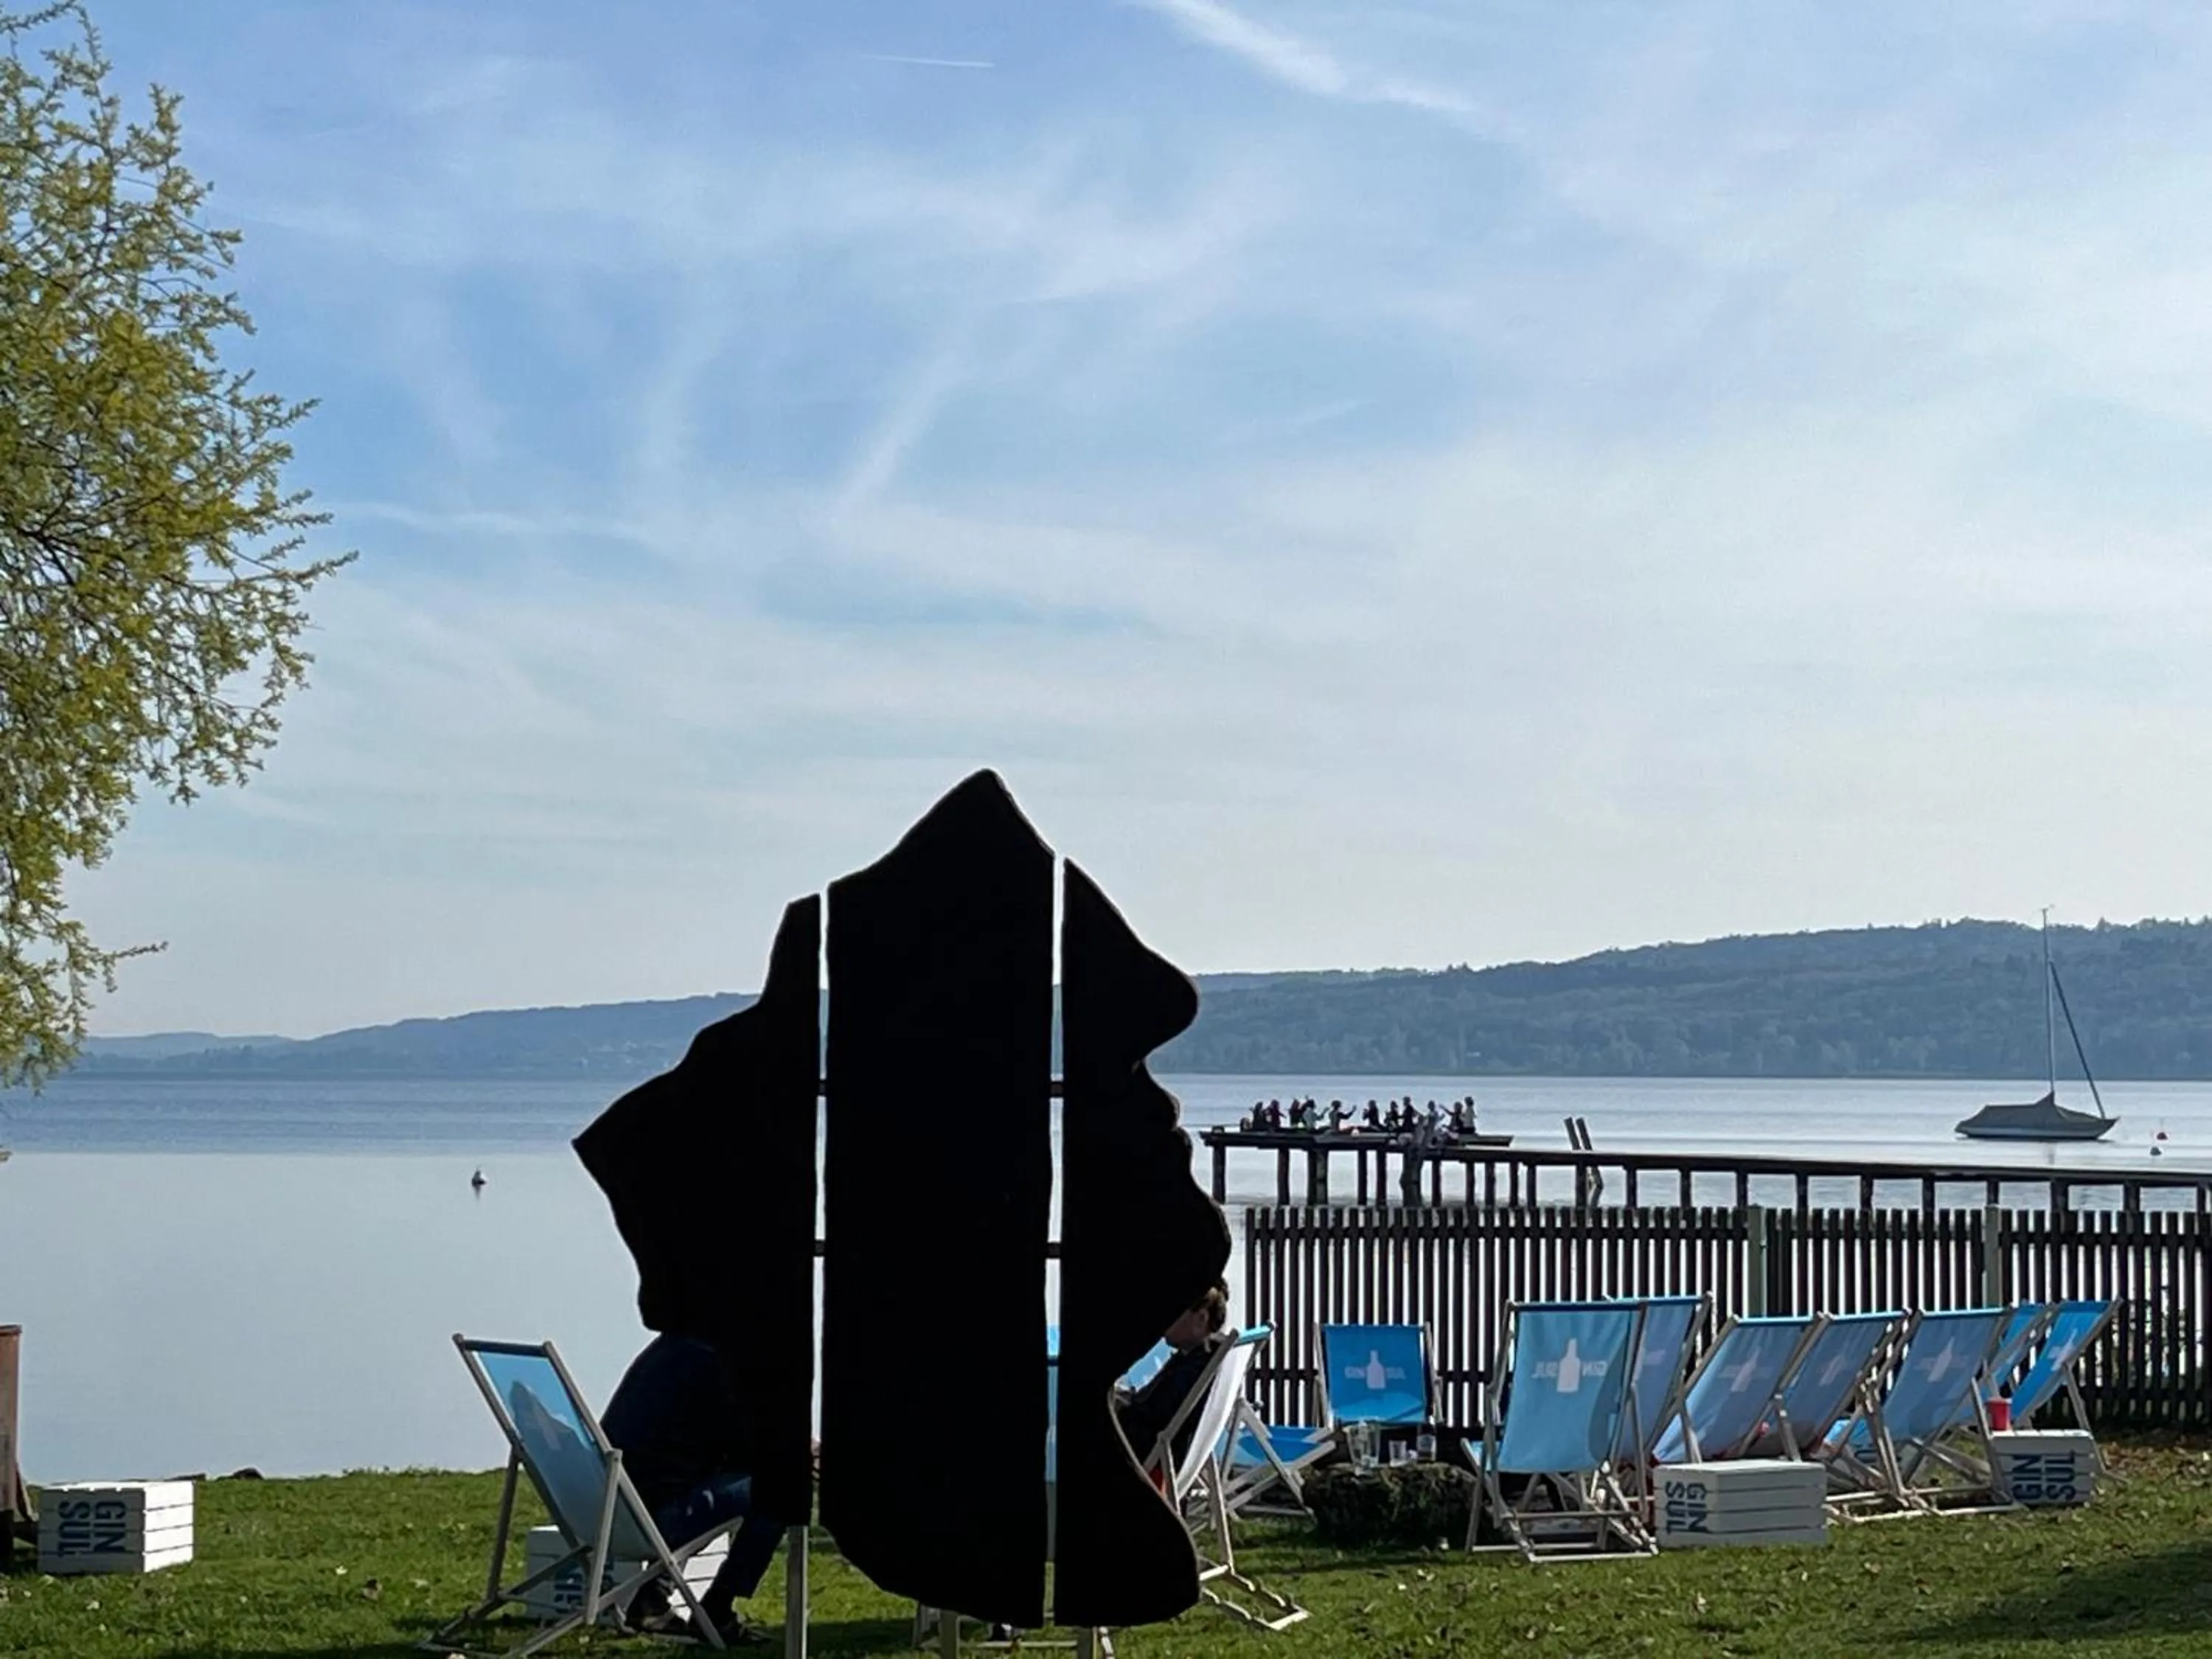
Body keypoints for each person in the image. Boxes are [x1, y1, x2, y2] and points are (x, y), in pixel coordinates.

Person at [600, 1332, 781, 1646]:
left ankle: (653, 1599)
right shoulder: (716, 1360)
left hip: (608, 1511)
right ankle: (718, 1610)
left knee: (693, 1476)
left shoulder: (673, 1346)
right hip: (654, 1516)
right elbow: (746, 1448)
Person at [1113, 1284, 1231, 1470]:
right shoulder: (1208, 1357)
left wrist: (1120, 1407)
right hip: (1177, 1451)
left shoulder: (1193, 1369)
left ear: (1201, 1317)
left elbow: (1156, 1413)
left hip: (1149, 1452)